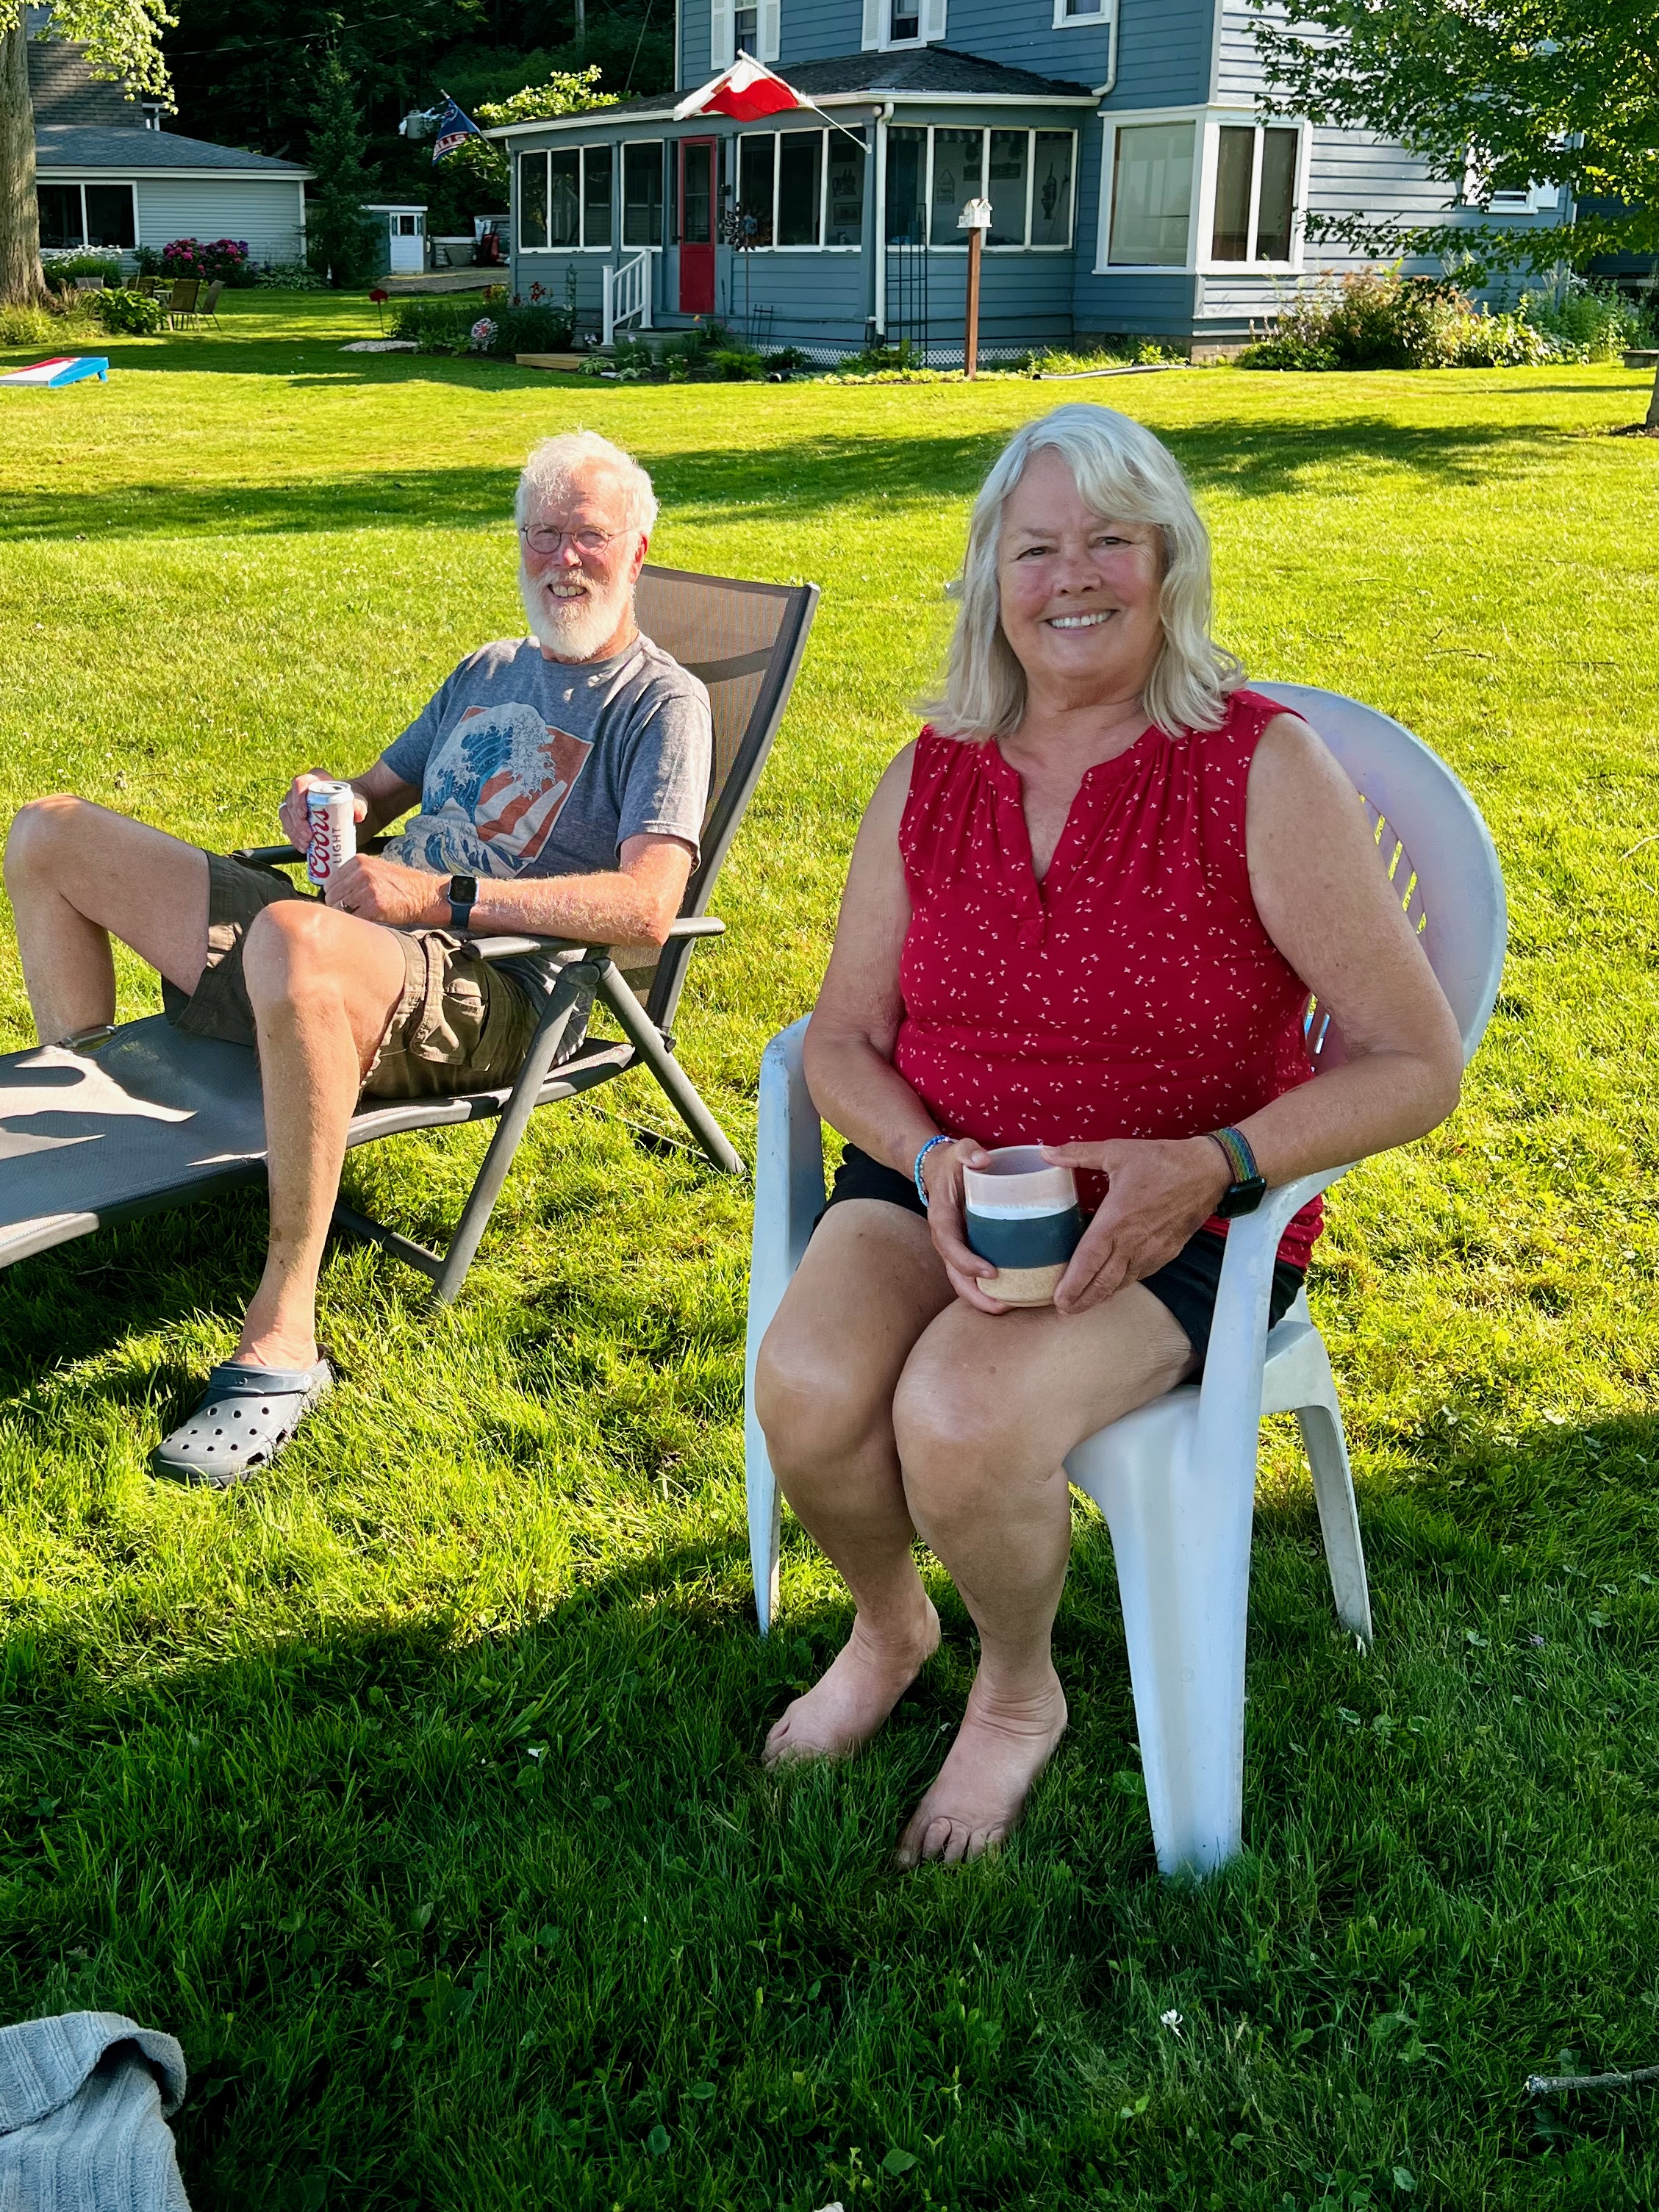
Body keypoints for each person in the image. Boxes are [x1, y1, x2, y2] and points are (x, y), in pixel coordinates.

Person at [753, 404, 1464, 1869]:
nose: (1070, 575)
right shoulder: (931, 771)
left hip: (1185, 1207)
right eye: (1035, 549)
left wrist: (1217, 1161)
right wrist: (929, 1159)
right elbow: (839, 1040)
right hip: (945, 1172)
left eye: (1108, 541)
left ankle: (1018, 1691)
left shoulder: (1256, 767)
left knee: (960, 1415)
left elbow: (1416, 1063)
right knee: (807, 1384)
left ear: (1168, 563)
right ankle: (890, 1626)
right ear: (990, 579)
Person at [4, 430, 711, 1483]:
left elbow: (649, 905)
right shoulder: (487, 669)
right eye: (542, 533)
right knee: (50, 833)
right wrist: (324, 803)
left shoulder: (661, 704)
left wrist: (440, 897)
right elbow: (377, 796)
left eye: (590, 536)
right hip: (352, 941)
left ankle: (285, 1329)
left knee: (291, 934)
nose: (563, 558)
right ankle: (114, 1134)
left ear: (638, 551)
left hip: (496, 987)